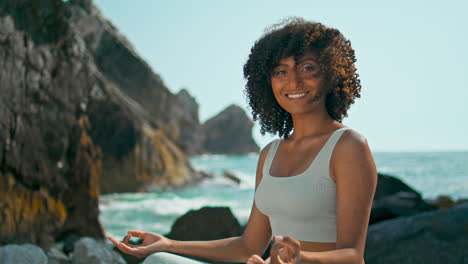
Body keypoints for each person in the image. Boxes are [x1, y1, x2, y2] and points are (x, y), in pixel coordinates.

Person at [108, 17, 377, 264]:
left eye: (308, 68)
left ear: (330, 75)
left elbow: (353, 256)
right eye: (281, 71)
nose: (293, 81)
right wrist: (167, 243)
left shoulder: (348, 146)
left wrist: (299, 259)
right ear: (267, 82)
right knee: (159, 260)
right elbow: (249, 245)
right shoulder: (270, 153)